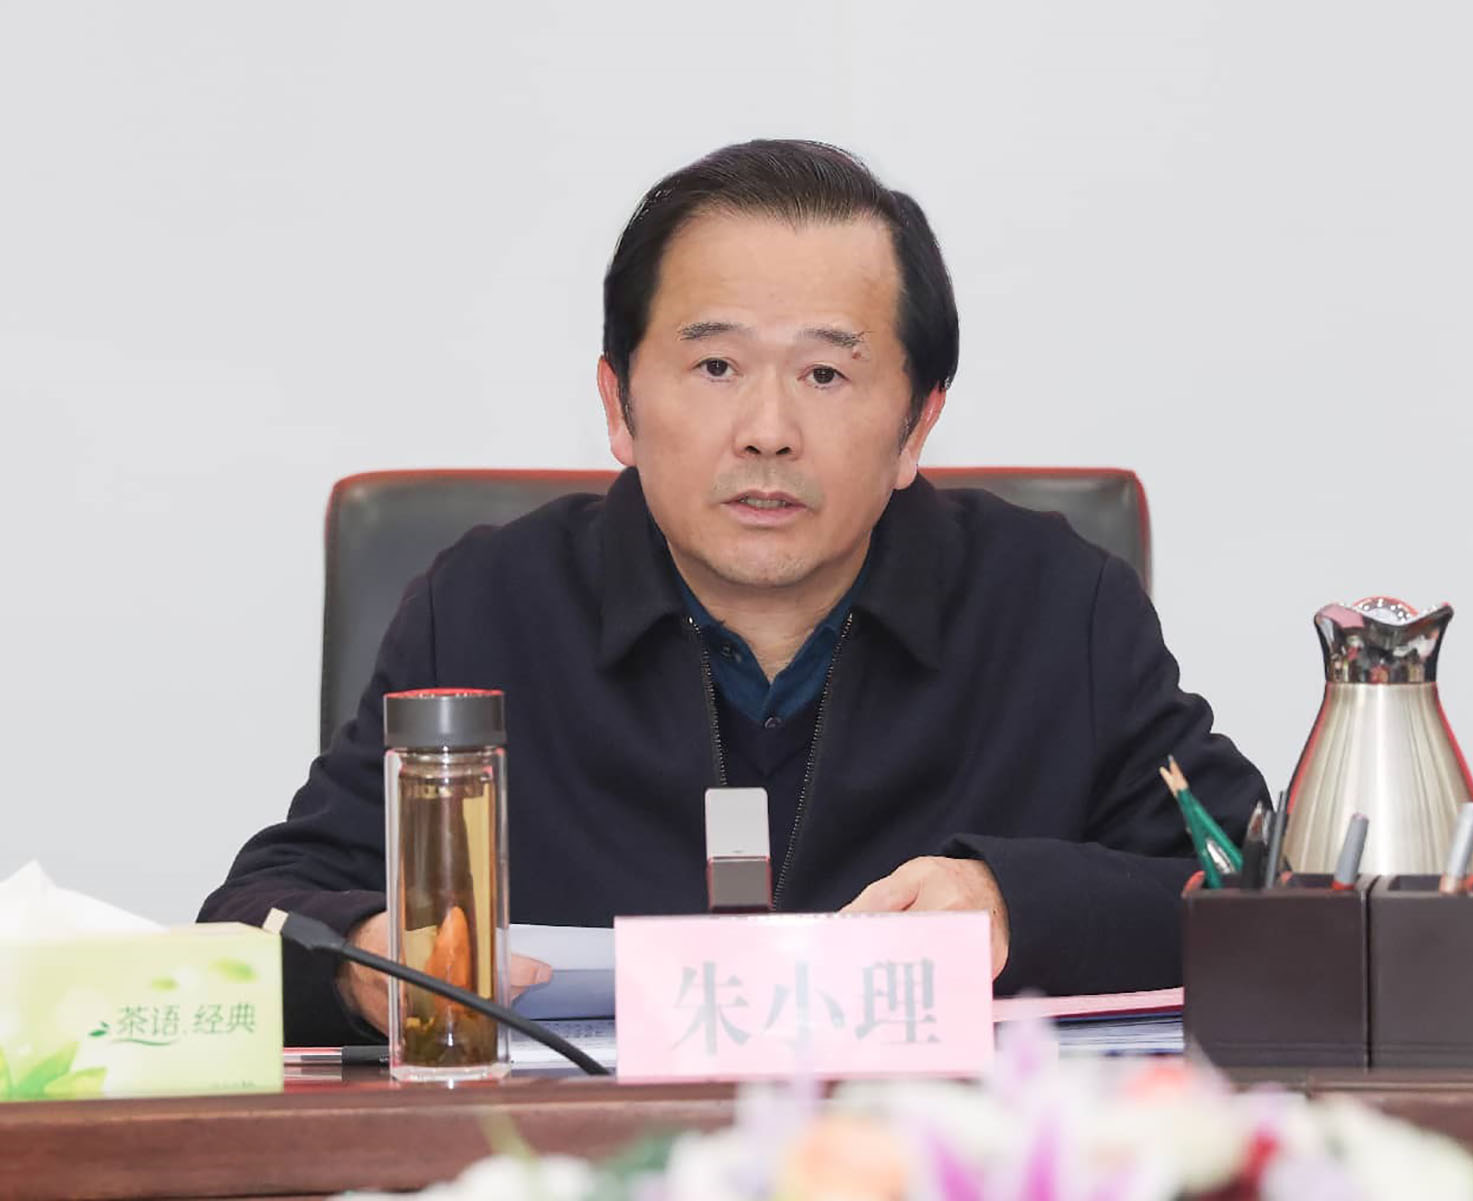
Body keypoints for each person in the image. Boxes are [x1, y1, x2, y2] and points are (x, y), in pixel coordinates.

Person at [200, 139, 1266, 1045]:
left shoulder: (1057, 609)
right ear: (618, 404)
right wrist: (366, 961)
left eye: (825, 374)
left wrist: (1013, 902)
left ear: (917, 425)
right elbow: (255, 915)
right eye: (715, 368)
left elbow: (1255, 896)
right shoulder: (484, 608)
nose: (767, 431)